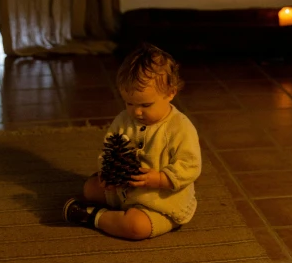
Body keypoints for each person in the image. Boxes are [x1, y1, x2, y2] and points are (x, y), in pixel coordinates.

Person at [62, 43, 202, 240]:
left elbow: (191, 165)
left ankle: (95, 217)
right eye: (129, 103)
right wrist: (107, 174)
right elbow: (109, 149)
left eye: (146, 105)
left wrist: (161, 179)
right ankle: (114, 210)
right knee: (90, 188)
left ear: (170, 93)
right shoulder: (123, 120)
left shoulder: (180, 127)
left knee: (136, 227)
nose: (136, 112)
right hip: (124, 191)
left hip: (161, 202)